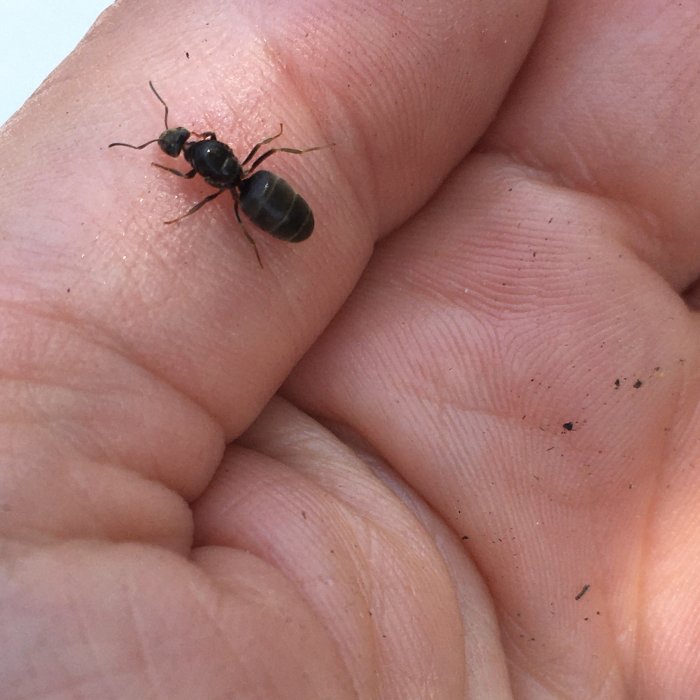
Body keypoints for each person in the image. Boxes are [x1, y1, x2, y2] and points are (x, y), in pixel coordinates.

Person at [2, 0, 699, 697]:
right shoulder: (224, 163)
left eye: (175, 139)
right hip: (264, 193)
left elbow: (207, 172)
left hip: (264, 197)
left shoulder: (211, 170)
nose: (182, 142)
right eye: (178, 141)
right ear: (203, 149)